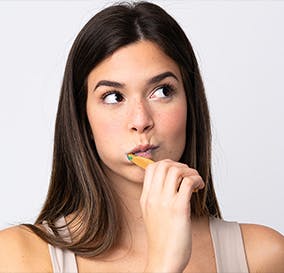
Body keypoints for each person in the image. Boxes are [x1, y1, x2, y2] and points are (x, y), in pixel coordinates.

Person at [0, 1, 283, 272]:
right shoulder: (17, 257)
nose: (141, 121)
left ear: (190, 103)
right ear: (82, 117)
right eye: (113, 97)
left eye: (162, 91)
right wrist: (162, 263)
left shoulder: (264, 256)